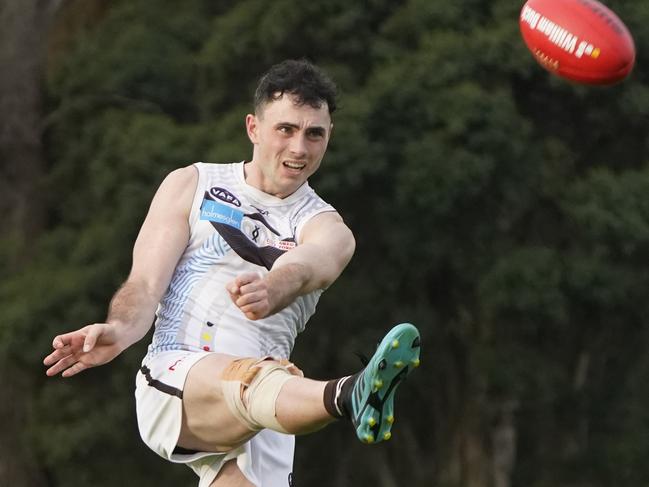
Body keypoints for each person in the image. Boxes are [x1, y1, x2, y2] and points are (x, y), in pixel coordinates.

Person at [43, 59, 421, 487]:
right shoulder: (193, 183)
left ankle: (347, 394)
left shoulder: (328, 227)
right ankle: (352, 393)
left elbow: (309, 264)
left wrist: (273, 286)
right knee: (248, 381)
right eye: (286, 129)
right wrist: (118, 329)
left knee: (261, 384)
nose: (299, 148)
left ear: (328, 137)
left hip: (274, 404)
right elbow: (145, 284)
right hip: (182, 373)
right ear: (253, 128)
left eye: (314, 133)